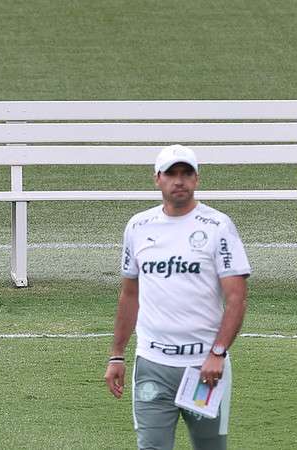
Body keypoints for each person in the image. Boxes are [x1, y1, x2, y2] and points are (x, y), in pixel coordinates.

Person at [104, 144, 250, 449]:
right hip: (152, 366)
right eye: (171, 173)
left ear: (197, 179)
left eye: (186, 173)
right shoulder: (138, 227)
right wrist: (117, 354)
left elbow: (237, 298)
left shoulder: (218, 227)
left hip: (204, 369)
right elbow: (130, 295)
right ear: (157, 179)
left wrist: (217, 353)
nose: (179, 181)